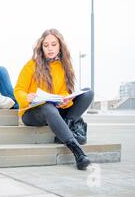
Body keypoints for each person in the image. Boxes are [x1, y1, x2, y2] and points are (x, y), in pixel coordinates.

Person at [14, 28, 94, 170]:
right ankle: (77, 152)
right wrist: (26, 97)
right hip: (32, 112)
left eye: (53, 44)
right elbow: (18, 89)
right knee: (47, 107)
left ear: (60, 46)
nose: (50, 48)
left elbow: (64, 90)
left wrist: (65, 99)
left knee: (88, 93)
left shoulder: (64, 66)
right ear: (41, 47)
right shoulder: (31, 65)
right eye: (46, 45)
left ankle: (65, 127)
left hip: (55, 108)